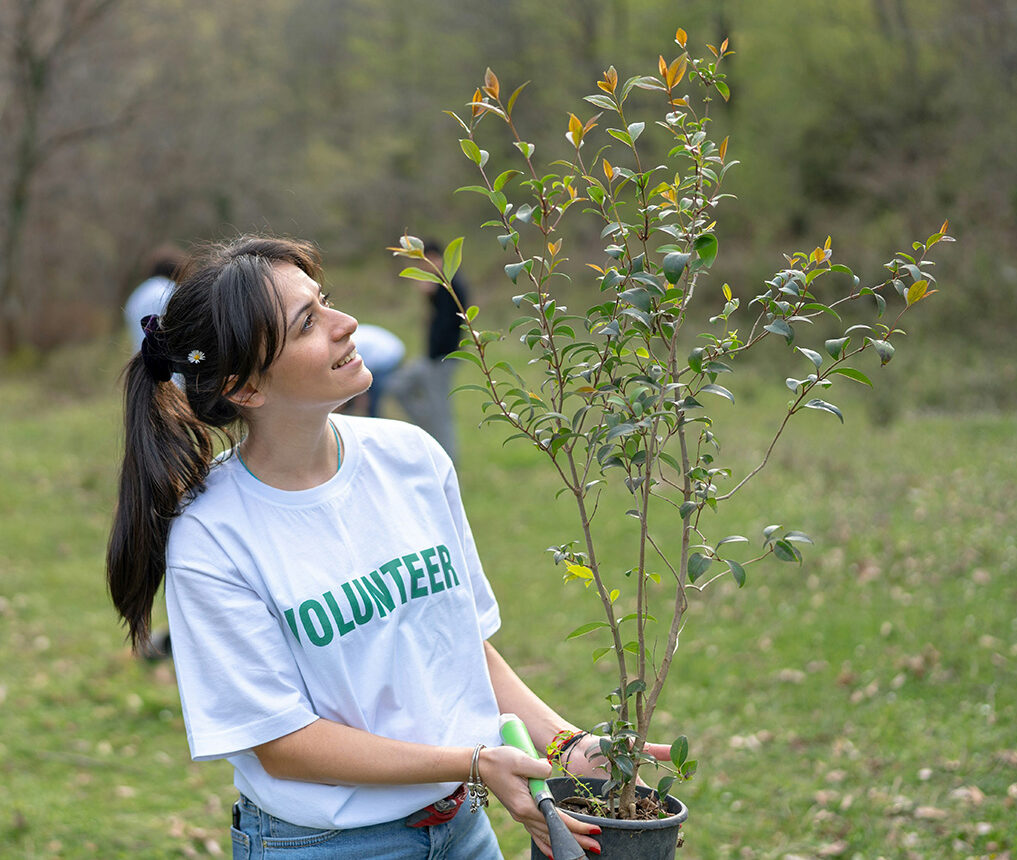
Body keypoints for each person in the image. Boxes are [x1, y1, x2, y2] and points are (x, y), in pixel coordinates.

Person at [106, 236, 668, 859]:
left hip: (461, 828)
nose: (348, 326)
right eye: (309, 324)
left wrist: (566, 745)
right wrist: (475, 762)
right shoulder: (213, 536)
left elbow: (460, 644)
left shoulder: (411, 457)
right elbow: (284, 743)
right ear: (245, 387)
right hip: (325, 845)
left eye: (327, 302)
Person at [121, 242, 188, 660]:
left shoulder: (138, 293)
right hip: (170, 400)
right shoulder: (161, 292)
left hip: (153, 401)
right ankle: (173, 633)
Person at [385, 241, 468, 460]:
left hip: (443, 359)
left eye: (425, 262)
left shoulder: (451, 283)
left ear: (435, 258)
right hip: (429, 358)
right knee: (397, 386)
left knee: (441, 414)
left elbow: (451, 318)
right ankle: (426, 429)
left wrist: (434, 289)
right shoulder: (440, 286)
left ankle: (448, 461)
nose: (424, 268)